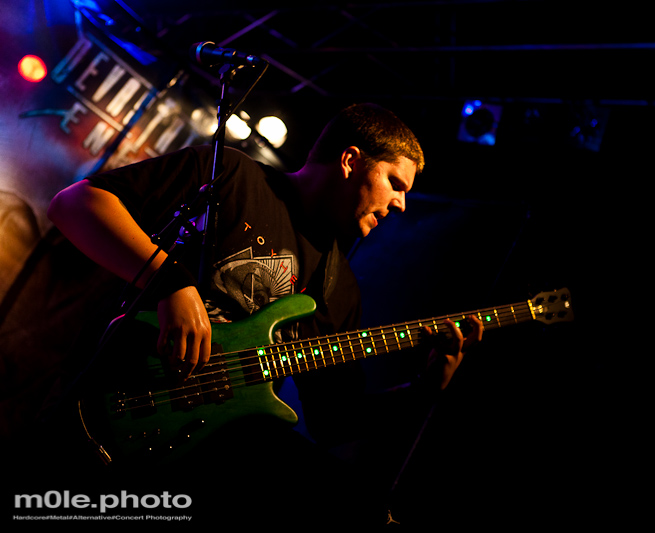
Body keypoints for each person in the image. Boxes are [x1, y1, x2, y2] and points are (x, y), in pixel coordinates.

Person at [45, 103, 483, 526]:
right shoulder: (231, 174)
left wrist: (424, 388)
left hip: (195, 459)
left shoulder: (341, 289)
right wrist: (171, 283)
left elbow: (334, 421)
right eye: (395, 183)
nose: (401, 204)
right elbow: (75, 203)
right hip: (104, 406)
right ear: (350, 161)